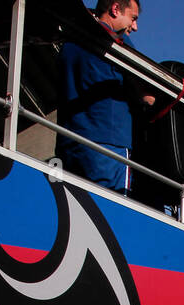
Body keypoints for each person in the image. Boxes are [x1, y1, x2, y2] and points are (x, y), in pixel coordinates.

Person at [55, 1, 147, 193]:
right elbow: (146, 95)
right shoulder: (118, 42)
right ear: (115, 9)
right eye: (133, 18)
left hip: (69, 144)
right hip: (109, 145)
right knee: (111, 211)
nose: (135, 27)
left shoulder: (70, 43)